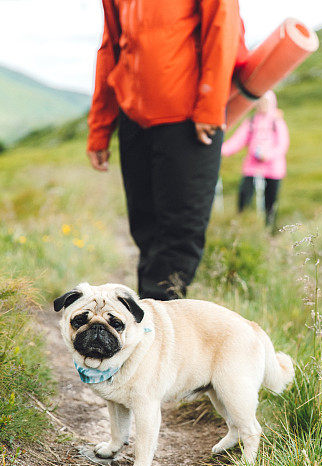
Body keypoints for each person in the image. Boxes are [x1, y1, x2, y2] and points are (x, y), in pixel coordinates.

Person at [86, 0, 244, 301]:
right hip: (133, 118)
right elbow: (110, 46)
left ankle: (159, 329)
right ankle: (150, 323)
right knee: (145, 229)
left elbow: (222, 27)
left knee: (179, 235)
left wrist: (210, 107)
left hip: (188, 118)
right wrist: (100, 127)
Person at [221, 91, 289, 227]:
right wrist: (221, 150)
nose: (262, 104)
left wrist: (268, 155)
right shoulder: (251, 121)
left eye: (265, 102)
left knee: (270, 202)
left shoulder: (277, 122)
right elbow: (238, 140)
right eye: (260, 101)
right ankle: (240, 226)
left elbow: (282, 144)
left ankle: (269, 229)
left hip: (273, 170)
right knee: (244, 197)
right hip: (252, 168)